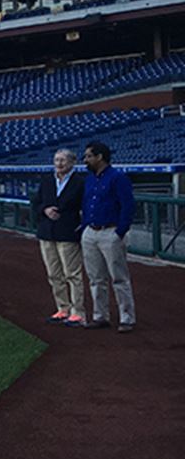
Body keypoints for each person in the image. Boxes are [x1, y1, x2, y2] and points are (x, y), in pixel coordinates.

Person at [79, 141, 137, 333]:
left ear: (99, 157)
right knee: (95, 278)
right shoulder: (89, 179)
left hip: (110, 231)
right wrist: (86, 225)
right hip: (91, 232)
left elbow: (128, 205)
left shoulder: (117, 177)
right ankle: (100, 316)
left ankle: (127, 318)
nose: (85, 160)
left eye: (88, 156)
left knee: (119, 278)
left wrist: (120, 231)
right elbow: (86, 203)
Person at [31, 149, 85, 327]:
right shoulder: (47, 180)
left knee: (72, 274)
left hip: (68, 232)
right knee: (54, 274)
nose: (59, 163)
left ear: (72, 162)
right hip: (47, 232)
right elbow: (36, 202)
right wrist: (44, 210)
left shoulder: (79, 182)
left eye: (63, 160)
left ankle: (78, 312)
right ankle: (63, 308)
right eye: (56, 160)